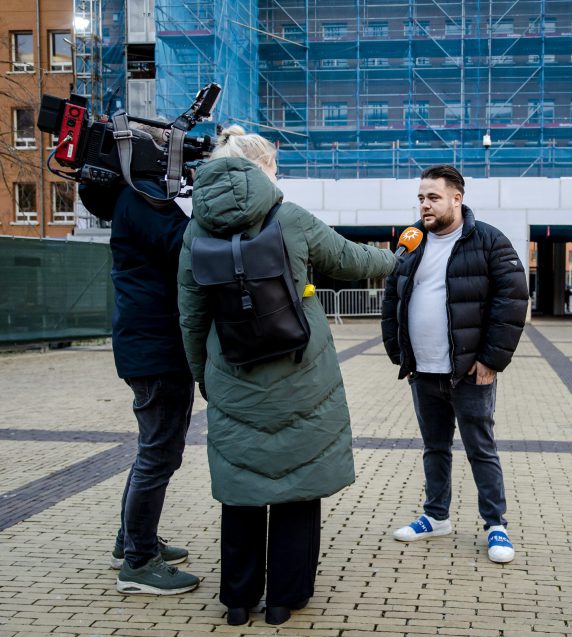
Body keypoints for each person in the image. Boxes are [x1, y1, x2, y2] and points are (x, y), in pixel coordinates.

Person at [177, 126, 396, 626]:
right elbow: (353, 261)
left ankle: (237, 601)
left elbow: (190, 317)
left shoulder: (196, 230)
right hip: (302, 371)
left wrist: (205, 378)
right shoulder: (289, 217)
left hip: (233, 373)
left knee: (241, 489)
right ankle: (284, 600)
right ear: (265, 168)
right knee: (298, 487)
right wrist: (400, 258)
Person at [381, 164, 528, 564]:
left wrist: (491, 359)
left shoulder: (488, 241)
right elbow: (392, 297)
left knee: (480, 447)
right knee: (435, 448)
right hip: (423, 369)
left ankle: (495, 524)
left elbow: (512, 301)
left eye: (433, 197)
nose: (425, 204)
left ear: (456, 198)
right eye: (421, 197)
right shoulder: (410, 242)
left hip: (469, 371)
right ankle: (435, 515)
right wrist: (400, 354)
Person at [79, 159, 200, 595]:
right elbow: (187, 245)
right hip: (157, 349)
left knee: (154, 453)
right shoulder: (142, 199)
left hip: (149, 346)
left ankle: (131, 542)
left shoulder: (133, 201)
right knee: (158, 456)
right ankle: (138, 563)